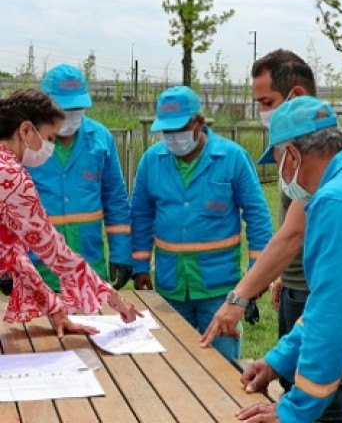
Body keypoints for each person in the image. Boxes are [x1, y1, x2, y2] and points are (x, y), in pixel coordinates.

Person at [201, 49, 342, 422]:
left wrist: (239, 296)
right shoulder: (307, 154)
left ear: (297, 97)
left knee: (323, 396)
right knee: (295, 381)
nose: (262, 112)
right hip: (302, 284)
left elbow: (293, 234)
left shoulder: (330, 168)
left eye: (266, 102)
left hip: (324, 291)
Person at [236, 95, 342, 423]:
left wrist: (293, 411)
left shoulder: (338, 202)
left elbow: (332, 319)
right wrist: (276, 363)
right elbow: (328, 304)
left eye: (279, 162)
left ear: (293, 155)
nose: (283, 178)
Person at [130, 85, 272, 361]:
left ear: (199, 122)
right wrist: (139, 265)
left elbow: (257, 215)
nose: (172, 138)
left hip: (219, 288)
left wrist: (257, 273)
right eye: (166, 131)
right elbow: (141, 215)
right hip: (170, 286)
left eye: (178, 129)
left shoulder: (232, 158)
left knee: (223, 366)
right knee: (170, 365)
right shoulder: (152, 161)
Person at [0, 88, 141, 337]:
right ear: (24, 130)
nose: (51, 148)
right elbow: (55, 253)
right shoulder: (12, 177)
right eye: (49, 138)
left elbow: (14, 255)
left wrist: (55, 310)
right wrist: (116, 301)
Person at [25, 64, 132, 292]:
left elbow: (116, 200)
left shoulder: (101, 139)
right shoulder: (21, 142)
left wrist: (121, 252)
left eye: (76, 109)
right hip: (36, 274)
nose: (69, 117)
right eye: (63, 109)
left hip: (90, 271)